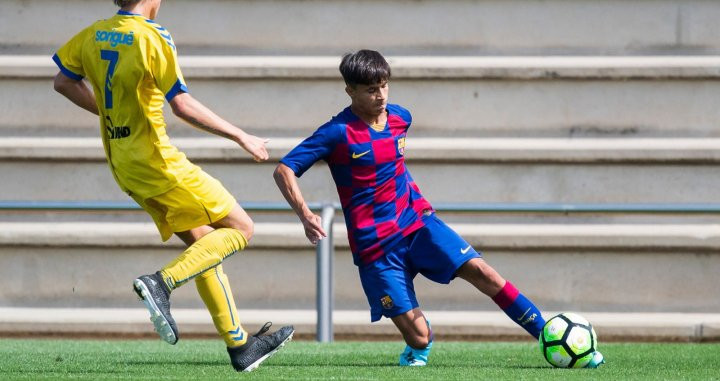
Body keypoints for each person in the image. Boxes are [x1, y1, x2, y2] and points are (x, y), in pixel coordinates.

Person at [274, 49, 604, 367]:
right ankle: (417, 345)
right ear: (350, 90)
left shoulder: (401, 118)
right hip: (375, 246)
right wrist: (305, 215)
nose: (381, 95)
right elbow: (284, 169)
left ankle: (547, 336)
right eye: (371, 89)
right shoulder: (336, 133)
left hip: (417, 223)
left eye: (384, 85)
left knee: (484, 273)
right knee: (419, 337)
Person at [52, 0, 293, 372]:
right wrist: (240, 135)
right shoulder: (153, 36)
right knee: (241, 228)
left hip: (123, 165)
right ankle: (160, 284)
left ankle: (240, 344)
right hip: (159, 162)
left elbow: (63, 81)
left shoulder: (92, 34)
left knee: (203, 245)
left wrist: (110, 113)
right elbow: (181, 104)